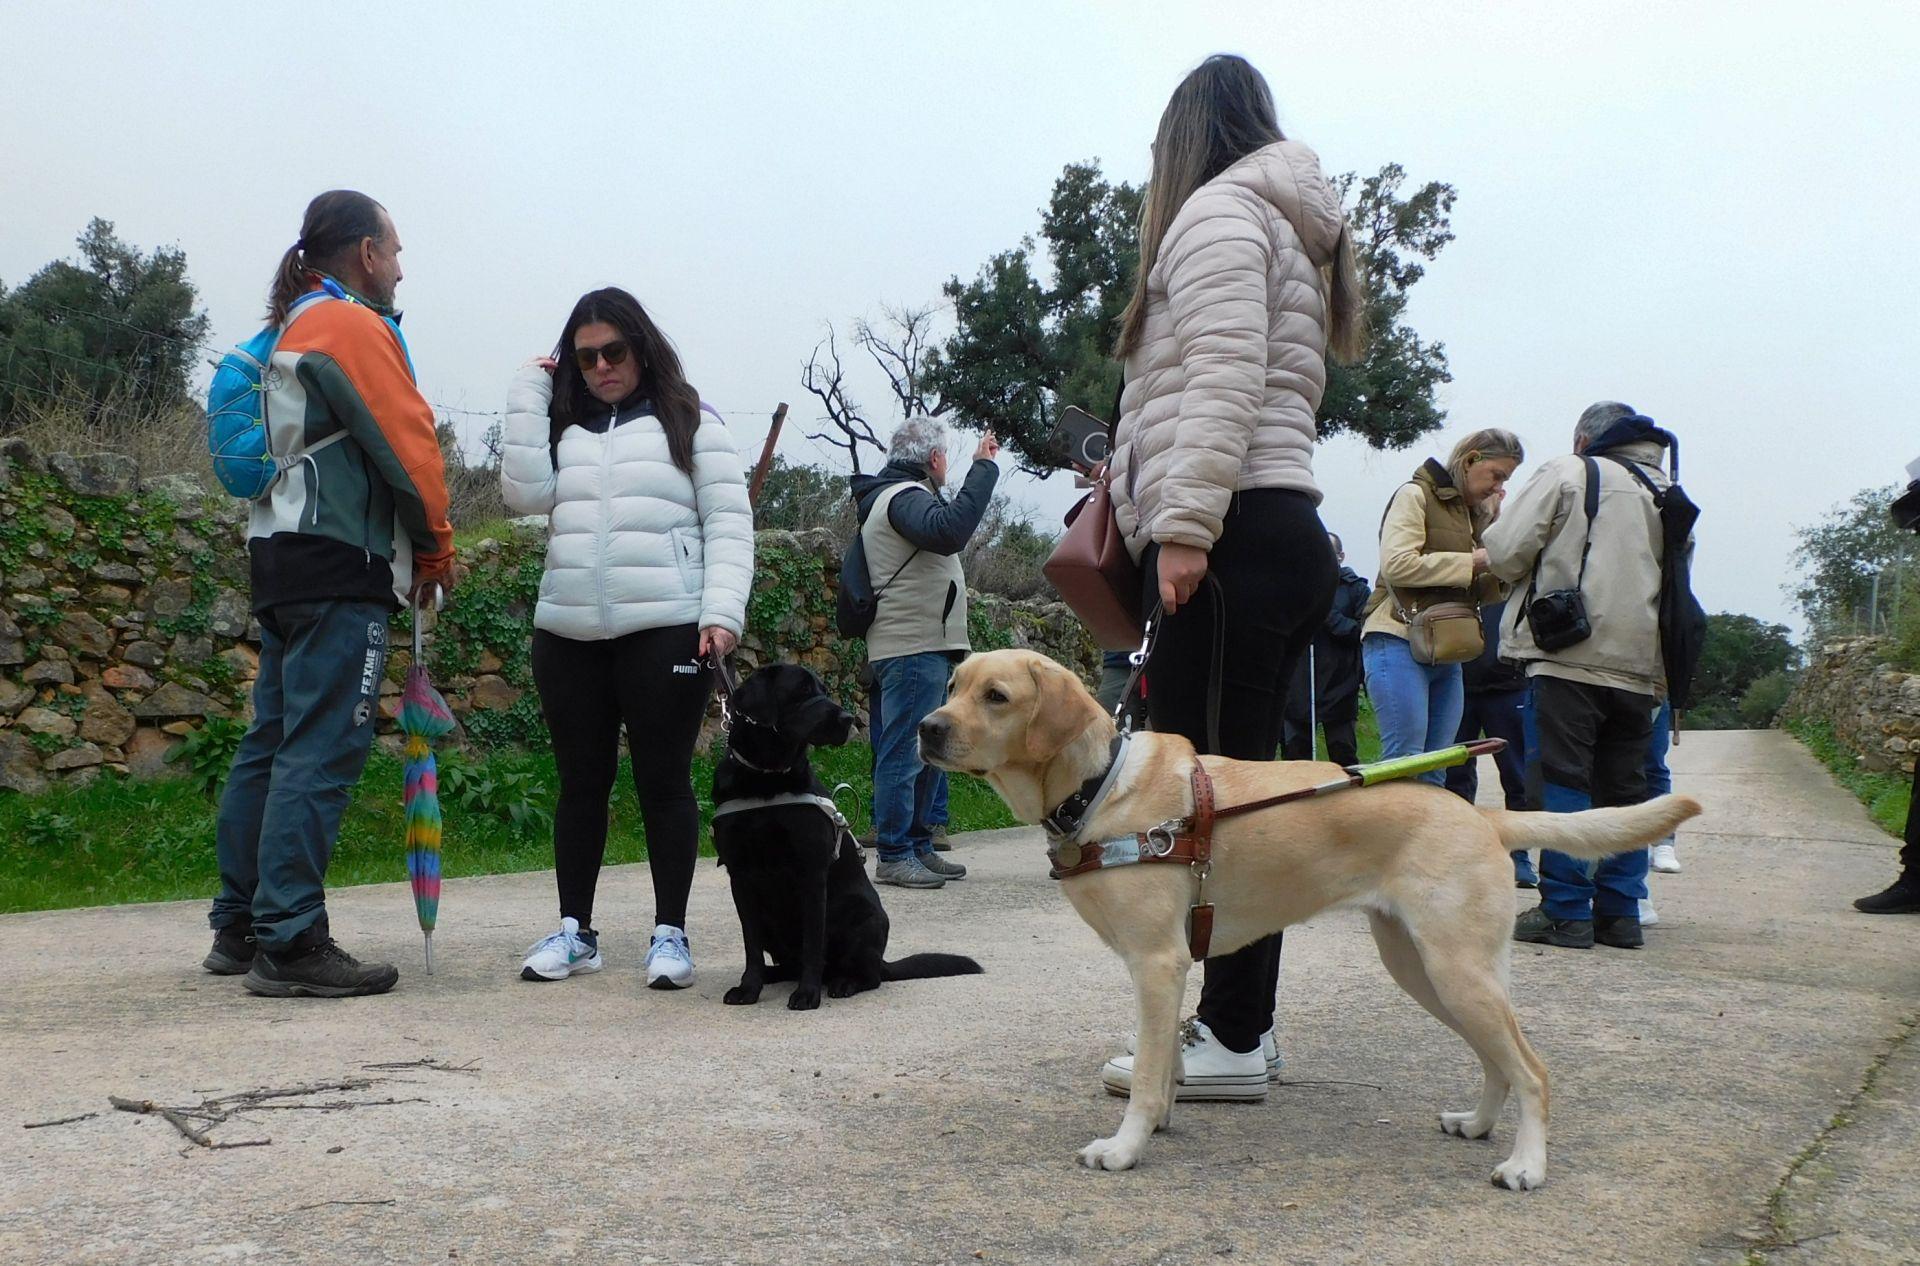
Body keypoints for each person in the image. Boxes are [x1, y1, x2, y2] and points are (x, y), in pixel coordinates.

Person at [1097, 54, 1365, 1102]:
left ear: (1185, 139)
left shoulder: (1215, 215)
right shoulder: (1286, 227)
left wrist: (1182, 526)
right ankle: (1241, 1025)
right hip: (1283, 528)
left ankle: (1232, 1035)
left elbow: (1220, 377)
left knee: (1211, 800)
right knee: (1246, 791)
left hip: (1233, 536)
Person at [204, 190, 457, 998]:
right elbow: (406, 442)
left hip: (279, 557)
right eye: (396, 248)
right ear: (366, 253)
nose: (402, 265)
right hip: (341, 559)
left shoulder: (286, 326)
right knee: (322, 746)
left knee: (273, 739)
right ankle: (291, 939)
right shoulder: (349, 324)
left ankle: (239, 925)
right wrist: (436, 542)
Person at [500, 287, 753, 988]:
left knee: (663, 783)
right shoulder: (565, 427)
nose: (602, 366)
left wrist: (721, 613)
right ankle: (574, 932)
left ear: (640, 347)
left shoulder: (691, 419)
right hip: (567, 629)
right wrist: (529, 389)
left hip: (668, 626)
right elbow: (523, 495)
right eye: (586, 357)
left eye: (613, 351)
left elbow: (729, 523)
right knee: (581, 784)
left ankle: (670, 935)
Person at [1485, 401, 1673, 950]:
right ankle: (1621, 914)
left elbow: (1504, 553)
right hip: (1641, 665)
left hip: (1569, 654)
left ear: (1583, 438)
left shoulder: (1571, 472)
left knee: (1564, 781)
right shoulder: (1665, 488)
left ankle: (1565, 911)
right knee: (1626, 789)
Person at [852, 417, 1001, 888]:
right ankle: (895, 853)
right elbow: (950, 530)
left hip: (923, 647)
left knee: (929, 751)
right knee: (905, 753)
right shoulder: (903, 497)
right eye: (947, 459)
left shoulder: (899, 495)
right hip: (912, 647)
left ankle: (916, 845)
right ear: (935, 459)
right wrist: (983, 469)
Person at [1360, 431, 1524, 784]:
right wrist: (1475, 559)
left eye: (1505, 481)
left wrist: (1496, 539)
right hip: (1397, 637)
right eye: (1496, 475)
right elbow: (1397, 564)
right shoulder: (1414, 494)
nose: (1497, 487)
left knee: (1437, 768)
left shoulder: (1474, 515)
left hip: (1447, 646)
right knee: (1404, 763)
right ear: (1471, 460)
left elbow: (1483, 592)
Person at [1445, 598, 1538, 886]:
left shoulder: (1508, 564)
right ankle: (1458, 851)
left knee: (1517, 776)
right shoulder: (1455, 566)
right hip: (1457, 681)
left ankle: (1518, 854)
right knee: (1454, 776)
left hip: (1508, 685)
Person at [1280, 533, 1369, 765]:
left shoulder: (1355, 589)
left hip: (1340, 686)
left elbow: (1363, 632)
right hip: (1298, 687)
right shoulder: (1292, 587)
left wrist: (1328, 614)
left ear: (1340, 556)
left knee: (1343, 753)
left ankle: (1348, 801)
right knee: (1295, 755)